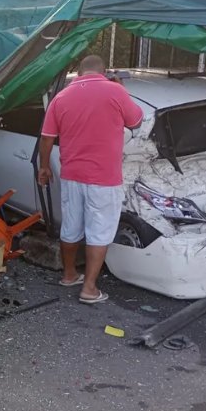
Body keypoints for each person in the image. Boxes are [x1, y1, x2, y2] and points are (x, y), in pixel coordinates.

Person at [37, 55, 143, 304]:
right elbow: (136, 122)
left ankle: (69, 274)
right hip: (104, 178)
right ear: (104, 72)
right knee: (99, 230)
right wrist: (121, 89)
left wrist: (44, 167)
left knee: (71, 226)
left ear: (80, 73)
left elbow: (46, 137)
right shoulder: (115, 91)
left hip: (72, 175)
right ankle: (89, 288)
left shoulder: (61, 97)